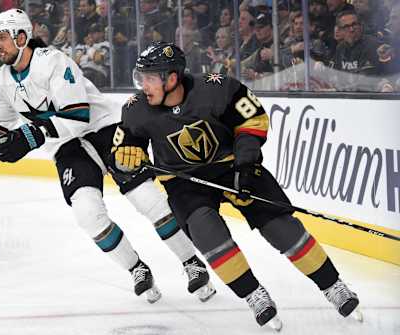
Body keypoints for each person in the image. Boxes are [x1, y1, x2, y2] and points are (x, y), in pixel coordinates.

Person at [0, 9, 215, 304]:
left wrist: (31, 135)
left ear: (21, 37)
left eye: (1, 38)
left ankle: (191, 262)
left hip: (104, 130)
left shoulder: (53, 62)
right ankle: (137, 268)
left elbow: (78, 116)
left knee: (147, 199)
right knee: (87, 214)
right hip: (67, 148)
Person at [111, 41, 362, 329]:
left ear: (172, 78)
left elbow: (252, 120)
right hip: (184, 183)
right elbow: (124, 151)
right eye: (140, 77)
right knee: (207, 233)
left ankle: (333, 286)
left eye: (150, 78)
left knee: (281, 227)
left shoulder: (217, 88)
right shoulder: (135, 110)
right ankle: (254, 295)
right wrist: (126, 158)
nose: (143, 85)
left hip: (233, 167)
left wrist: (245, 166)